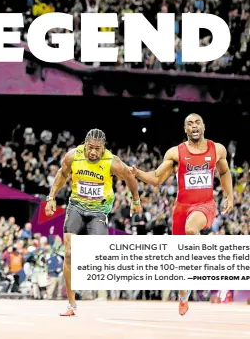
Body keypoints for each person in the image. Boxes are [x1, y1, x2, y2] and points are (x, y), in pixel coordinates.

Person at [130, 113, 233, 316]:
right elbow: (157, 179)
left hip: (205, 205)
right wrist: (138, 173)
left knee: (191, 229)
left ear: (203, 126)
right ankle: (183, 295)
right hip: (181, 208)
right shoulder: (176, 153)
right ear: (185, 129)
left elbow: (224, 172)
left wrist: (229, 196)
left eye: (197, 122)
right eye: (189, 124)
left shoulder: (217, 149)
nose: (194, 126)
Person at [44, 129, 142, 317]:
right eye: (90, 148)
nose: (93, 153)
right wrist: (51, 197)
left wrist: (136, 200)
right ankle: (72, 304)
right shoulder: (73, 156)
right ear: (84, 144)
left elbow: (130, 176)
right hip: (76, 206)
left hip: (99, 210)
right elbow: (62, 174)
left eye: (98, 149)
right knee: (69, 252)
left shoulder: (112, 161)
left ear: (103, 147)